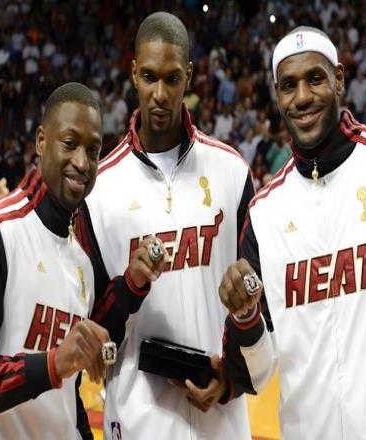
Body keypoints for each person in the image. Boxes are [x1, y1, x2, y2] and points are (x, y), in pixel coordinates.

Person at [218, 26, 366, 439]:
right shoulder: (264, 214)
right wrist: (245, 316)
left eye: (315, 79)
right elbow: (256, 374)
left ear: (339, 79)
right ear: (277, 96)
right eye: (289, 86)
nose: (302, 97)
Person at [0, 82, 163, 439]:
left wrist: (131, 285)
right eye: (69, 143)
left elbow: (68, 390)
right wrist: (51, 366)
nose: (82, 162)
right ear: (41, 140)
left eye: (93, 150)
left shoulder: (81, 254)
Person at [79, 12, 255, 440]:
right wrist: (131, 286)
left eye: (172, 79)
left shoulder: (232, 172)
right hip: (136, 421)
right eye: (149, 77)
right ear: (133, 73)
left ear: (189, 76)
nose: (160, 94)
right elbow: (94, 326)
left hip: (221, 422)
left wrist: (231, 378)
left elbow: (257, 300)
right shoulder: (99, 189)